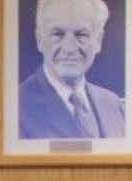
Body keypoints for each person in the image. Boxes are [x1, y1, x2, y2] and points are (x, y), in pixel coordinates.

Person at [18, 0, 126, 140]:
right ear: (39, 39)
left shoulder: (113, 104)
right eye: (57, 34)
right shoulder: (16, 108)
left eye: (81, 34)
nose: (69, 48)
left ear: (98, 40)